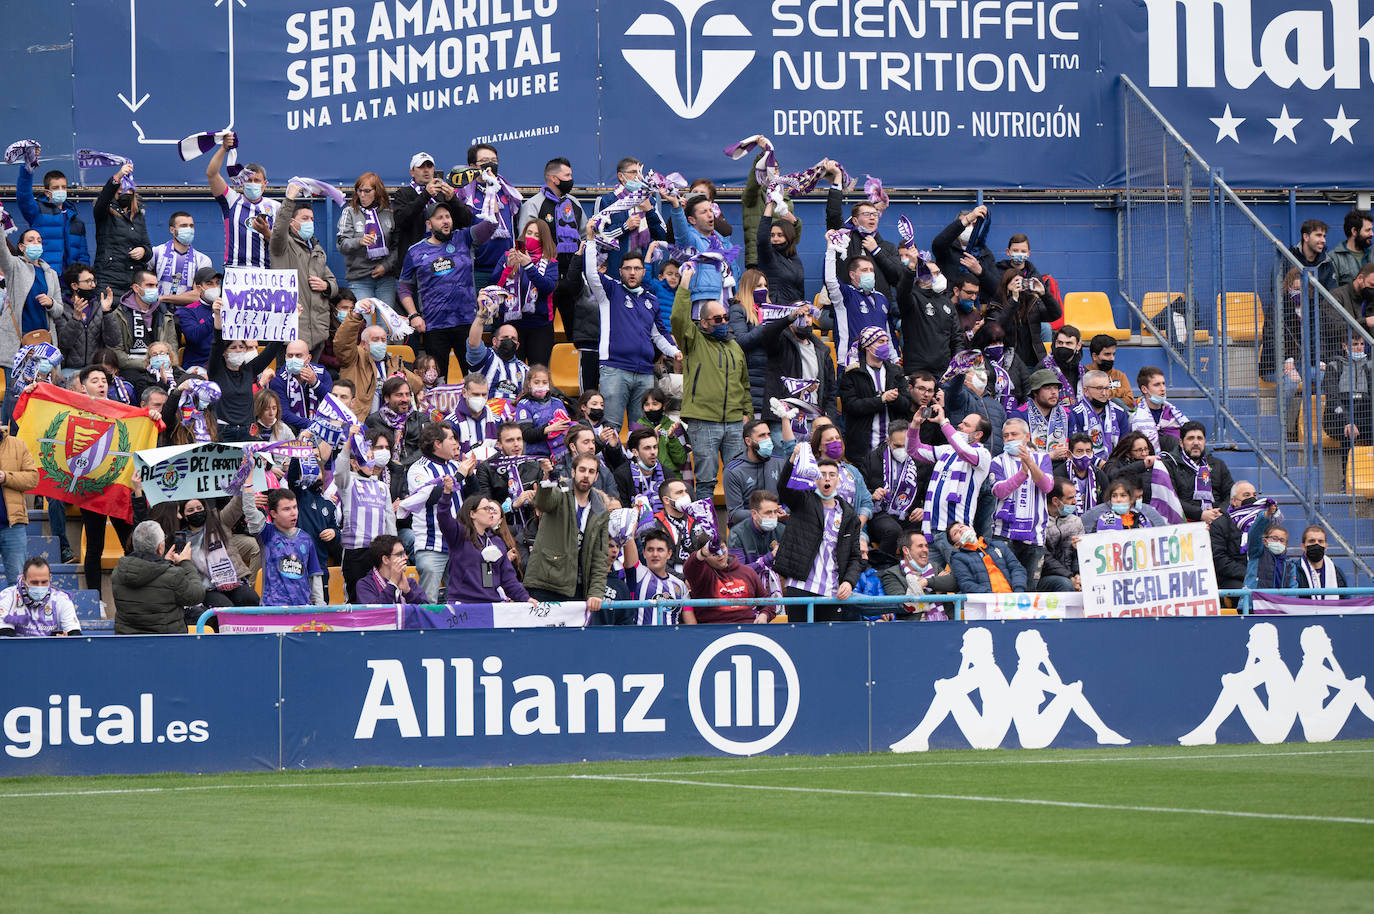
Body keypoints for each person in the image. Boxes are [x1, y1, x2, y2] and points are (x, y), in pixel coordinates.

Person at [671, 267, 752, 500]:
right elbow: (677, 318)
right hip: (704, 422)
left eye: (725, 317)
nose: (724, 321)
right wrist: (685, 280)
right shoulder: (693, 340)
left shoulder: (735, 346)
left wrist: (747, 413)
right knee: (706, 482)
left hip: (735, 423)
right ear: (704, 322)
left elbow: (744, 384)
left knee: (738, 481)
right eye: (717, 319)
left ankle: (736, 532)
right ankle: (706, 534)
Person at [398, 198, 498, 379]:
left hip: (466, 321)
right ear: (429, 224)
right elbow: (404, 287)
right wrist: (414, 315)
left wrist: (494, 209)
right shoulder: (415, 251)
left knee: (474, 377)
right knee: (436, 379)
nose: (446, 221)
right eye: (439, 218)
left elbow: (490, 227)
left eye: (448, 217)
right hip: (434, 325)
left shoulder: (464, 238)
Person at [586, 245, 680, 431]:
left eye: (637, 268)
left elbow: (659, 334)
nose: (632, 272)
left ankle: (638, 462)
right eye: (627, 268)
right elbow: (591, 274)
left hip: (645, 372)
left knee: (642, 430)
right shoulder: (610, 292)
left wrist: (674, 352)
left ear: (643, 272)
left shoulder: (651, 300)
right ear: (620, 271)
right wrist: (590, 242)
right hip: (615, 368)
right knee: (610, 428)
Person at [774, 456, 863, 622]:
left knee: (828, 644)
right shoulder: (803, 501)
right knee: (799, 641)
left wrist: (849, 582)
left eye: (832, 474)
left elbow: (855, 556)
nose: (827, 478)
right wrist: (792, 460)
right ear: (815, 479)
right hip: (800, 587)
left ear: (838, 479)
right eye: (822, 474)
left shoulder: (849, 515)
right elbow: (783, 487)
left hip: (831, 591)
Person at [911, 402, 993, 572]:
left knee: (963, 578)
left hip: (957, 535)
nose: (959, 426)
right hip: (930, 531)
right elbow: (914, 450)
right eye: (961, 422)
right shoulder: (947, 450)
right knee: (930, 582)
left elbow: (964, 452)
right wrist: (915, 425)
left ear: (978, 435)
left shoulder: (983, 454)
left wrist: (943, 423)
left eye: (966, 425)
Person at [522, 454, 608, 612]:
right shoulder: (559, 490)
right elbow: (543, 502)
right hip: (544, 584)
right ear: (573, 472)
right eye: (582, 470)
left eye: (591, 471)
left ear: (596, 476)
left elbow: (600, 556)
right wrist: (547, 479)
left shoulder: (601, 510)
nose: (586, 475)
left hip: (577, 588)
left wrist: (596, 592)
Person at [271, 183, 339, 356]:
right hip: (292, 332)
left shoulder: (317, 250)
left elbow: (332, 282)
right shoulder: (283, 246)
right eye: (305, 218)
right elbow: (278, 231)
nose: (310, 222)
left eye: (312, 219)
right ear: (292, 223)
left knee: (312, 379)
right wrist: (289, 199)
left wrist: (326, 286)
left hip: (317, 332)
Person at [989, 418, 1056, 590]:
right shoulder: (997, 461)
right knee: (1004, 587)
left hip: (1034, 536)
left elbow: (1047, 486)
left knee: (1029, 589)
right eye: (1005, 436)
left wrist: (1030, 464)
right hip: (1003, 535)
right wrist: (1022, 473)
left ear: (1027, 437)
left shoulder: (1042, 458)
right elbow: (999, 491)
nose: (1010, 438)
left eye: (1014, 434)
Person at [408, 424, 470, 600]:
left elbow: (474, 496)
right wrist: (459, 476)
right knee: (429, 601)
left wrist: (470, 475)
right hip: (431, 544)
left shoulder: (454, 466)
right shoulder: (418, 469)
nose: (456, 444)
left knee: (459, 600)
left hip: (458, 544)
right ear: (437, 443)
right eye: (451, 439)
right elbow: (428, 497)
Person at [333, 300, 422, 420]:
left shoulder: (393, 363)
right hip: (361, 421)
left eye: (383, 340)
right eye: (375, 339)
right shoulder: (354, 358)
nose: (380, 343)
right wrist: (355, 315)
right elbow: (343, 342)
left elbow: (417, 385)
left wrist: (417, 388)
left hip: (389, 423)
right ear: (364, 343)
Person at [758, 301, 840, 431]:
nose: (806, 320)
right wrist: (790, 316)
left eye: (809, 316)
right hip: (784, 420)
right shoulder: (780, 343)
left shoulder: (822, 350)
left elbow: (830, 391)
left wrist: (828, 420)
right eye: (801, 316)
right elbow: (768, 333)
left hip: (814, 421)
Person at [111, 520, 205, 634]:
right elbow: (197, 595)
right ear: (161, 547)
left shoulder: (118, 573)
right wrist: (186, 563)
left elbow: (147, 574)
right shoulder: (173, 576)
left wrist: (164, 563)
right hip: (167, 644)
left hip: (129, 643)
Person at [437, 492, 529, 604]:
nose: (491, 512)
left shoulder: (496, 542)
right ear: (472, 514)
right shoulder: (459, 535)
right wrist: (446, 494)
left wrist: (526, 598)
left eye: (492, 509)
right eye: (486, 508)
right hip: (463, 604)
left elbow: (508, 579)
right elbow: (443, 517)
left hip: (491, 605)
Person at [209, 309, 287, 439]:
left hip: (248, 431)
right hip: (224, 432)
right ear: (224, 352)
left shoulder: (249, 370)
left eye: (241, 347)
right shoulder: (216, 370)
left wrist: (287, 319)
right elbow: (217, 342)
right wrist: (217, 315)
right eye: (233, 347)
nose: (238, 350)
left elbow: (272, 349)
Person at [206, 133, 280, 268]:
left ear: (265, 183)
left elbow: (283, 246)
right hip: (236, 271)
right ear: (242, 182)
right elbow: (212, 174)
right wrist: (223, 148)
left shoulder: (276, 207)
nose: (252, 183)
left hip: (266, 274)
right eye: (248, 180)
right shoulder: (231, 200)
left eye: (257, 180)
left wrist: (266, 233)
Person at [242, 486, 325, 606]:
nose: (293, 513)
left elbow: (315, 576)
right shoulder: (267, 534)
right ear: (273, 513)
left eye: (295, 507)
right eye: (286, 509)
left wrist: (320, 607)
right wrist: (248, 482)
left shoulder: (306, 539)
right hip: (273, 610)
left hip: (302, 610)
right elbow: (249, 511)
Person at [839, 326, 911, 460]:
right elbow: (850, 405)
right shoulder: (853, 373)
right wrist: (881, 400)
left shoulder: (896, 371)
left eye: (886, 341)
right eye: (880, 342)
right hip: (863, 446)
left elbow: (907, 403)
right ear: (867, 346)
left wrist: (895, 398)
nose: (885, 345)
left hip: (893, 444)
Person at [495, 220, 559, 369]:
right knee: (511, 370)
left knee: (538, 372)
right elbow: (495, 285)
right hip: (511, 326)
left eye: (537, 235)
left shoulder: (550, 262)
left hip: (539, 326)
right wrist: (508, 267)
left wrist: (529, 266)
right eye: (529, 233)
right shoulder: (508, 256)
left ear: (544, 239)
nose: (531, 237)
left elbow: (547, 287)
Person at [826, 178, 902, 301]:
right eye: (866, 214)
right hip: (850, 305)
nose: (872, 218)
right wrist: (836, 181)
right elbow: (833, 215)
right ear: (855, 220)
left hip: (880, 309)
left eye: (875, 214)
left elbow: (897, 277)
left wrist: (876, 251)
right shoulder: (845, 240)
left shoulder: (888, 247)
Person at [13, 149, 89, 271]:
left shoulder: (76, 220)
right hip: (46, 276)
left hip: (70, 282)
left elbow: (83, 254)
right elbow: (24, 196)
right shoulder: (37, 211)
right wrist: (27, 169)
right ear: (47, 192)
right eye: (55, 187)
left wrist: (82, 276)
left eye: (63, 187)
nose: (60, 190)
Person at [591, 156, 668, 276]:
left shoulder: (649, 200)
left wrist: (649, 211)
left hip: (644, 272)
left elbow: (662, 235)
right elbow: (595, 236)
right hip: (615, 271)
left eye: (640, 173)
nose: (639, 177)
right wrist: (624, 227)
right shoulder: (605, 201)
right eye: (633, 172)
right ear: (621, 176)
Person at [178, 497, 259, 609]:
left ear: (205, 509)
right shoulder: (181, 538)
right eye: (191, 510)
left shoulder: (219, 521)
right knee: (225, 608)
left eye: (199, 508)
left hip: (232, 581)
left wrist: (242, 489)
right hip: (206, 587)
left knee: (251, 599)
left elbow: (236, 505)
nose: (196, 512)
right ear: (184, 515)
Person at [824, 247, 896, 370]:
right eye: (864, 270)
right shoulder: (845, 295)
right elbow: (830, 280)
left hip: (880, 364)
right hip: (852, 364)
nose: (870, 273)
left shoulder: (882, 298)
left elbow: (888, 332)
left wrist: (895, 359)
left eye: (871, 270)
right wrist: (830, 251)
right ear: (852, 274)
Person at [459, 143, 518, 289]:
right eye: (485, 161)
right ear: (473, 166)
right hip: (477, 270)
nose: (491, 165)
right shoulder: (464, 194)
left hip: (507, 267)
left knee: (508, 310)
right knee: (480, 311)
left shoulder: (506, 191)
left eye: (494, 161)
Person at [894, 249, 962, 376]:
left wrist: (958, 363)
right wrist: (911, 268)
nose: (939, 277)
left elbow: (956, 338)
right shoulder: (912, 298)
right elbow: (902, 292)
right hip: (918, 370)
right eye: (934, 273)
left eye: (939, 272)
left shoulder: (947, 302)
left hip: (943, 370)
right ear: (922, 277)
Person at [391, 151, 469, 261]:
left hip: (444, 256)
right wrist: (425, 195)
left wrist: (453, 199)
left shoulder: (443, 193)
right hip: (415, 258)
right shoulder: (403, 193)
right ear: (412, 172)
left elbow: (466, 221)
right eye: (421, 167)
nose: (426, 170)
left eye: (429, 166)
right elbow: (401, 220)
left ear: (434, 170)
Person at [665, 191, 734, 312]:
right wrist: (676, 206)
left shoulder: (721, 239)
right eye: (704, 212)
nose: (710, 215)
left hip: (727, 301)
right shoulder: (692, 239)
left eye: (710, 210)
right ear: (692, 220)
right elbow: (680, 233)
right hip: (704, 301)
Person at [863, 421, 925, 556]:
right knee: (892, 532)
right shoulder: (872, 458)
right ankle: (883, 566)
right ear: (887, 440)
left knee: (920, 537)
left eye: (906, 446)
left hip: (910, 515)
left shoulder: (922, 460)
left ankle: (916, 572)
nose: (902, 450)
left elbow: (930, 494)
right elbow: (861, 490)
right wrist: (872, 494)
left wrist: (924, 509)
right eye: (897, 446)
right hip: (880, 512)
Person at [337, 171, 398, 307]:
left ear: (377, 191)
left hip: (385, 276)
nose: (362, 195)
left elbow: (397, 246)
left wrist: (386, 266)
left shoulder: (389, 213)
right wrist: (359, 241)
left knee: (385, 324)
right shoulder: (350, 212)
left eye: (367, 191)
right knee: (367, 321)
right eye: (359, 191)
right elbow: (341, 244)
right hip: (359, 277)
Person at [0, 230, 61, 365]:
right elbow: (2, 251)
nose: (36, 244)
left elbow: (59, 311)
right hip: (17, 342)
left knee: (42, 385)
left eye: (39, 241)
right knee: (14, 385)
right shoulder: (14, 266)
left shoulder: (51, 274)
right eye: (31, 240)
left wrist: (51, 303)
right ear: (22, 247)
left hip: (43, 342)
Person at [92, 162, 153, 298]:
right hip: (108, 279)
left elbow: (148, 249)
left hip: (132, 281)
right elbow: (104, 197)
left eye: (129, 189)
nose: (125, 192)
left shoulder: (138, 215)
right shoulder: (104, 211)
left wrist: (143, 251)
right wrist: (119, 175)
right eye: (121, 188)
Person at [682, 537, 772, 625]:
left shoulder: (748, 572)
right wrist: (703, 552)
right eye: (713, 552)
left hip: (747, 630)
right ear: (705, 556)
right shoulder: (700, 575)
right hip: (713, 631)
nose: (720, 554)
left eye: (722, 548)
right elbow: (689, 567)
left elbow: (767, 602)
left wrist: (764, 615)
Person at [724, 419, 796, 527]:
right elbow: (735, 513)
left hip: (779, 525)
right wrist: (765, 514)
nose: (768, 439)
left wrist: (784, 511)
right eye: (762, 435)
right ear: (748, 441)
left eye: (769, 434)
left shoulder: (780, 462)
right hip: (748, 527)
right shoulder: (733, 471)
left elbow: (792, 498)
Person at [1163, 421, 1235, 525]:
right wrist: (1200, 514)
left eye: (1199, 438)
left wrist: (1219, 512)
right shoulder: (1170, 465)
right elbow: (1171, 499)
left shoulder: (1217, 464)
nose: (1196, 443)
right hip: (1185, 524)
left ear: (1204, 441)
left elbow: (1231, 493)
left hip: (1217, 520)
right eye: (1191, 438)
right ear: (1181, 443)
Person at [52, 263, 119, 376]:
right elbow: (64, 343)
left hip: (96, 368)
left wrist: (107, 312)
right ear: (74, 286)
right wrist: (75, 318)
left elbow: (114, 341)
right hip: (69, 369)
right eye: (88, 281)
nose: (93, 285)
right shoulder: (62, 309)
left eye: (94, 281)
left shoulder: (99, 307)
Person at [990, 269, 1062, 371]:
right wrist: (1013, 300)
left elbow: (1056, 314)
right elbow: (998, 327)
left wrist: (1044, 294)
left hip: (1034, 363)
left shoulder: (1032, 303)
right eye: (1015, 282)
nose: (1018, 286)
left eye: (1021, 282)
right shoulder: (996, 306)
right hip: (1009, 365)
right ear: (1006, 285)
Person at [1323, 334, 1372, 474]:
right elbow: (1332, 398)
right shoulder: (1334, 366)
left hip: (1364, 415)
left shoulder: (1370, 366)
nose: (1359, 348)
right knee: (1348, 431)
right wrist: (1348, 421)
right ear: (1344, 346)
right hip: (1338, 418)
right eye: (1355, 344)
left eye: (1362, 344)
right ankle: (1347, 478)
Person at [466, 291, 531, 399]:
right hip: (486, 413)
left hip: (513, 414)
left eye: (513, 339)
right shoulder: (486, 357)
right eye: (505, 338)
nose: (509, 341)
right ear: (494, 341)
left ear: (518, 345)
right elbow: (473, 343)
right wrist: (481, 315)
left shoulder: (524, 369)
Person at [880, 530, 955, 620]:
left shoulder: (935, 567)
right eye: (920, 546)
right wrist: (936, 593)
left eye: (926, 546)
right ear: (906, 550)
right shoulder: (892, 574)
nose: (925, 550)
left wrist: (927, 582)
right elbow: (903, 605)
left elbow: (954, 583)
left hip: (947, 623)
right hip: (915, 628)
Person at [0, 558, 80, 637]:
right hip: (17, 649)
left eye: (44, 582)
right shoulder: (6, 596)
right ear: (24, 579)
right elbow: (4, 634)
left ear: (50, 578)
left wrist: (64, 641)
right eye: (34, 582)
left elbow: (75, 634)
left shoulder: (62, 598)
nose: (39, 586)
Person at [268, 338, 334, 433]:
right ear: (285, 357)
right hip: (293, 429)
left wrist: (315, 383)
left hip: (322, 427)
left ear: (308, 358)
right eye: (290, 356)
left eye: (298, 355)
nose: (294, 359)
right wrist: (310, 424)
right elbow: (283, 413)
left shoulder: (322, 373)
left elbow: (331, 404)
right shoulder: (278, 379)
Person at [0, 430, 39, 588]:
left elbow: (33, 478)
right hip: (12, 526)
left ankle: (17, 613)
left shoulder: (18, 444)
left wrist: (6, 477)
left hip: (13, 525)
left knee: (17, 583)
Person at [149, 211, 212, 307]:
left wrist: (163, 298)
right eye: (183, 225)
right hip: (157, 313)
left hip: (187, 314)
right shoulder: (156, 253)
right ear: (172, 230)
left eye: (191, 226)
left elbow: (198, 295)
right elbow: (144, 286)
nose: (189, 229)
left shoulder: (203, 260)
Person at [948, 521, 1026, 595]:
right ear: (956, 545)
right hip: (988, 604)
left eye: (961, 526)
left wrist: (1018, 591)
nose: (961, 530)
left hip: (1013, 598)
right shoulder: (958, 558)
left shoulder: (998, 545)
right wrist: (990, 597)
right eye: (955, 533)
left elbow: (1016, 568)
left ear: (971, 528)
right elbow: (966, 584)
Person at [1069, 369, 1131, 460]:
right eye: (1099, 388)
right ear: (1085, 390)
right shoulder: (1074, 414)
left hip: (1116, 465)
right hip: (1084, 465)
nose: (1104, 393)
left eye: (1107, 388)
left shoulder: (1119, 413)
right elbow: (1075, 450)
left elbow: (1125, 446)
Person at [753, 195, 805, 304]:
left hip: (793, 312)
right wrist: (769, 205)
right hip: (774, 310)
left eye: (780, 235)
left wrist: (794, 222)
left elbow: (800, 291)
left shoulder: (795, 260)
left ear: (788, 236)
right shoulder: (769, 256)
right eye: (772, 235)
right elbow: (762, 239)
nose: (775, 239)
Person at [356, 534, 430, 606]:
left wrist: (408, 592)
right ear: (385, 559)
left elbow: (426, 612)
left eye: (405, 553)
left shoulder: (410, 583)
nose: (406, 557)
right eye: (400, 554)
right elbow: (374, 613)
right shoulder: (365, 585)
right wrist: (392, 584)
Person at [1015, 368, 1070, 462]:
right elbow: (1017, 451)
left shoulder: (1067, 414)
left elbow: (1074, 444)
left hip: (1063, 466)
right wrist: (1050, 456)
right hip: (1032, 468)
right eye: (1048, 388)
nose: (1053, 392)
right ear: (1035, 392)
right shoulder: (1019, 415)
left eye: (1056, 387)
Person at [1132, 366, 1189, 454]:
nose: (1162, 388)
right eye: (1157, 385)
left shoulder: (1173, 414)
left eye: (1163, 383)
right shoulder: (1135, 416)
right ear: (1144, 389)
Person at [1040, 478, 1082, 593]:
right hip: (1046, 577)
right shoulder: (1038, 522)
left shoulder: (1076, 521)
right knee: (1064, 584)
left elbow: (1080, 553)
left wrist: (1078, 574)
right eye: (1070, 498)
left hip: (1072, 575)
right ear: (1055, 501)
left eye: (1075, 497)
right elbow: (1045, 559)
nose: (1075, 501)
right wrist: (1070, 577)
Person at [648, 478, 697, 575]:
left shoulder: (697, 519)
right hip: (669, 579)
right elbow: (655, 561)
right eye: (679, 492)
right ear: (666, 500)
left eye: (686, 492)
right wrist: (682, 579)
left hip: (698, 574)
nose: (685, 496)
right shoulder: (655, 524)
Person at [727, 490, 785, 564]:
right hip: (750, 575)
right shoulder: (737, 534)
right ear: (754, 514)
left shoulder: (783, 530)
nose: (773, 516)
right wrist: (768, 558)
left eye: (775, 512)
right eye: (768, 512)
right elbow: (738, 572)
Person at [1284, 525, 1348, 593]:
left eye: (1320, 541)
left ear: (1326, 546)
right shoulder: (1294, 571)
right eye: (1312, 541)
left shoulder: (1337, 572)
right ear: (1303, 546)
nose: (1316, 544)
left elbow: (1345, 599)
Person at [1322, 209, 1372, 291]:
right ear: (1354, 231)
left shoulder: (1372, 252)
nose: (1372, 234)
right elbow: (1333, 293)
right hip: (1348, 303)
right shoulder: (1334, 258)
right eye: (1368, 230)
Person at [1085, 334, 1136, 409]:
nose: (1112, 358)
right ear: (1095, 356)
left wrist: (1105, 397)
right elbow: (1088, 400)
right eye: (1107, 354)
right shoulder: (1084, 373)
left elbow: (1130, 401)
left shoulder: (1120, 375)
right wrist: (1119, 392)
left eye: (1113, 354)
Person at [1064, 432, 1106, 511]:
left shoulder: (1099, 475)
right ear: (1069, 454)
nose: (1085, 455)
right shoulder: (1060, 475)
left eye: (1088, 451)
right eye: (1080, 451)